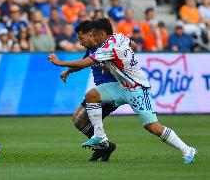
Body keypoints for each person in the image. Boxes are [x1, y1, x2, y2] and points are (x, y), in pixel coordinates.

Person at [48, 18, 197, 164]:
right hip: (120, 86)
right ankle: (100, 137)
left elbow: (85, 62)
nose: (92, 37)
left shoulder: (107, 49)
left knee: (152, 127)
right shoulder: (119, 37)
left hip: (137, 89)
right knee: (91, 95)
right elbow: (133, 43)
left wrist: (60, 63)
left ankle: (187, 149)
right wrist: (120, 61)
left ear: (103, 34)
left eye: (94, 35)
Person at [61, 20, 117, 161]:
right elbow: (82, 63)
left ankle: (104, 146)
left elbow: (128, 46)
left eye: (81, 38)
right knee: (76, 119)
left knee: (81, 121)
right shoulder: (91, 50)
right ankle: (103, 147)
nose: (79, 42)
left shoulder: (105, 47)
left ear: (91, 35)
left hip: (109, 93)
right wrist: (68, 71)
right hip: (98, 92)